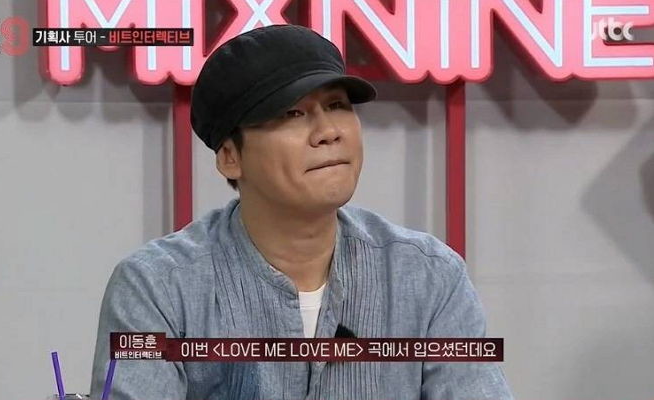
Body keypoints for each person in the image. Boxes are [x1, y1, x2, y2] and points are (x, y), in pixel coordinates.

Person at [89, 24, 514, 400]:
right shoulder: (157, 288)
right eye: (292, 113)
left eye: (337, 106)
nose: (328, 132)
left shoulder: (429, 275)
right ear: (231, 157)